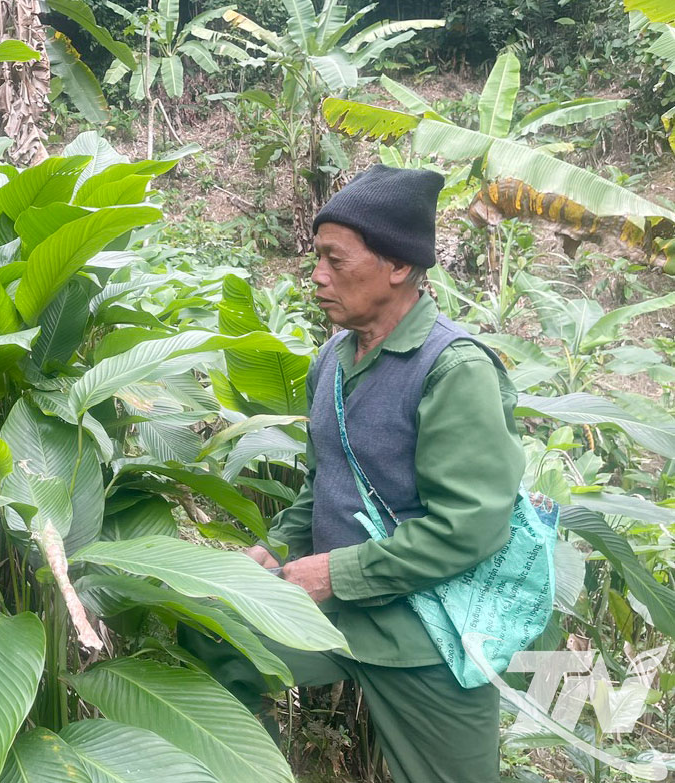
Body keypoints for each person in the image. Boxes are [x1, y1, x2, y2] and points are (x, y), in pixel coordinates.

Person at [181, 165, 526, 783]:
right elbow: (326, 483)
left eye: (335, 260)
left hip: (425, 635)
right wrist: (277, 548)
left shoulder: (454, 371)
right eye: (316, 258)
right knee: (213, 634)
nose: (317, 276)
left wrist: (337, 573)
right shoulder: (333, 361)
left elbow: (469, 529)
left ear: (397, 266)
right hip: (333, 611)